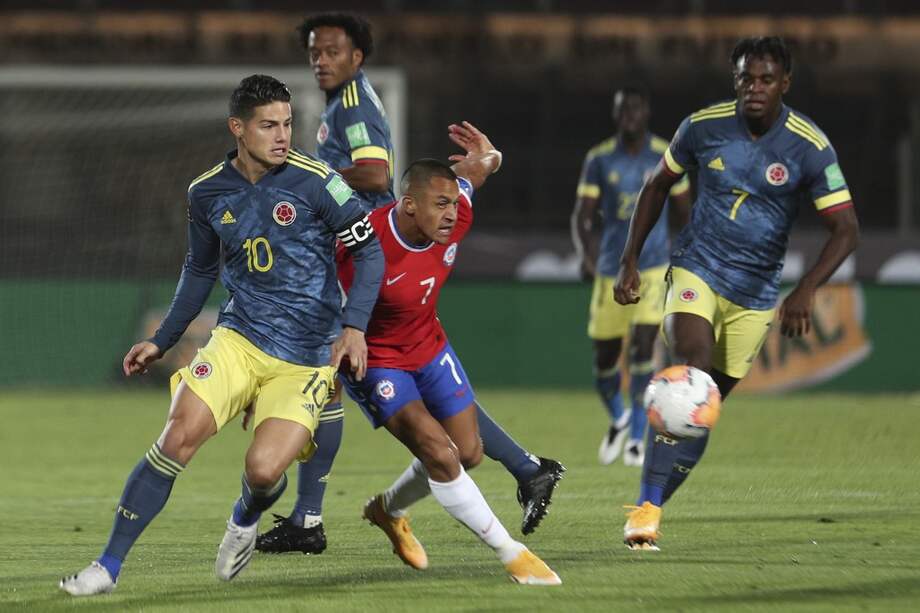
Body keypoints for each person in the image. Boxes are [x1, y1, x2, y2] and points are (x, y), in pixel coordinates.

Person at [59, 74, 384, 596]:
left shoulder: (318, 181)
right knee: (175, 438)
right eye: (268, 125)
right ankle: (107, 566)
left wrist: (354, 328)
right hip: (239, 338)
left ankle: (245, 516)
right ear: (238, 128)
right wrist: (163, 339)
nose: (282, 135)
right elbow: (199, 269)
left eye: (287, 123)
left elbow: (369, 253)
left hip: (305, 356)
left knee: (262, 472)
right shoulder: (207, 191)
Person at [257, 12, 563, 556]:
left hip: (364, 267)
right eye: (314, 52)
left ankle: (310, 518)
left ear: (357, 58)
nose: (320, 60)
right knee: (340, 389)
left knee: (324, 384)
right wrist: (490, 157)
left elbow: (373, 172)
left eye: (331, 51)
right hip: (373, 267)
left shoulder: (353, 107)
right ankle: (521, 467)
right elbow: (474, 176)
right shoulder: (344, 105)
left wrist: (302, 179)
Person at [614, 37, 859, 550]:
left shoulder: (809, 146)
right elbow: (657, 185)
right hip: (697, 269)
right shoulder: (702, 126)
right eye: (746, 78)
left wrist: (806, 290)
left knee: (703, 410)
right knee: (690, 373)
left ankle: (653, 501)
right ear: (736, 80)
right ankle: (647, 509)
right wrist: (630, 258)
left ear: (784, 84)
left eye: (766, 79)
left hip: (756, 292)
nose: (755, 89)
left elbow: (846, 229)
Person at [339, 121, 560, 585]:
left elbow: (480, 169)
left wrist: (491, 155)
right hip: (377, 359)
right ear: (408, 204)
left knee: (469, 452)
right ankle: (512, 554)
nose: (450, 215)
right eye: (439, 205)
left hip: (429, 345)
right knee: (442, 454)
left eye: (453, 204)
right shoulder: (363, 245)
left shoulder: (455, 213)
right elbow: (323, 303)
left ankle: (387, 510)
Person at [572, 85, 691, 468]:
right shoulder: (600, 159)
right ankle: (620, 418)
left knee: (643, 347)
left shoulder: (666, 154)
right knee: (605, 358)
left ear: (646, 113)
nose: (629, 117)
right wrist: (587, 258)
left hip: (653, 268)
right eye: (623, 110)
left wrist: (684, 255)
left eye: (635, 110)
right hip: (611, 269)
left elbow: (683, 211)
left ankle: (637, 438)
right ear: (616, 114)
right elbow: (583, 217)